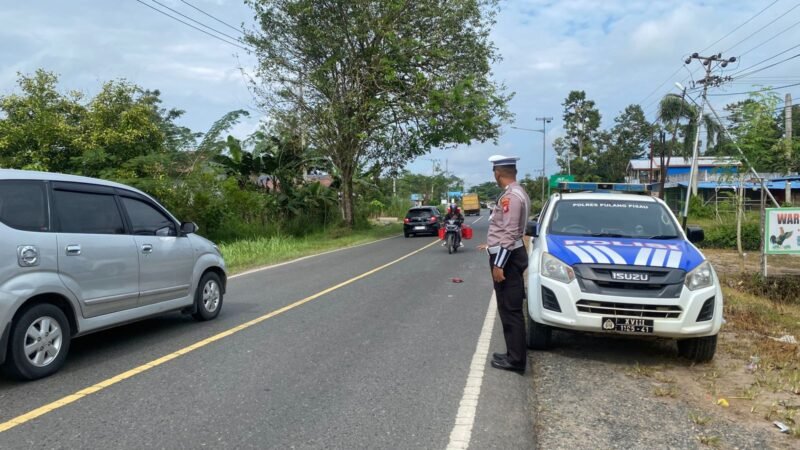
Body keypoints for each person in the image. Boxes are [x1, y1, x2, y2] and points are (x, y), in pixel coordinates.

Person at [479, 155, 530, 373]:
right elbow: (503, 230)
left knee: (511, 309)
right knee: (507, 308)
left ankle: (516, 360)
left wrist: (499, 264)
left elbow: (510, 233)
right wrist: (490, 244)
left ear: (498, 173)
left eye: (494, 172)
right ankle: (512, 354)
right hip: (507, 254)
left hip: (508, 258)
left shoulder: (512, 197)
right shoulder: (517, 193)